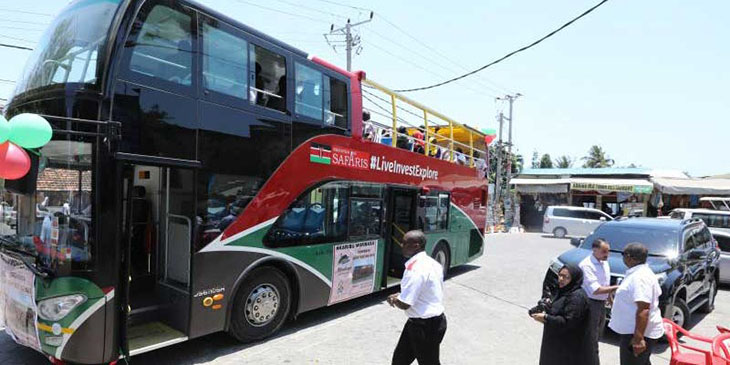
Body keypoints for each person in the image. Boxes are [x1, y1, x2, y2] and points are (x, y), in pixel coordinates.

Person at [387, 230, 447, 365]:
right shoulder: (432, 263)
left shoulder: (415, 269)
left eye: (404, 243)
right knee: (399, 360)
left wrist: (394, 299)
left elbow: (405, 304)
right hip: (419, 323)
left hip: (425, 326)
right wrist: (400, 296)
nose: (401, 245)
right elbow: (424, 290)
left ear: (416, 245)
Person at [608, 243, 664, 365]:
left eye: (623, 254)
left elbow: (644, 309)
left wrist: (638, 339)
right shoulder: (637, 273)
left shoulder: (640, 277)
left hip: (637, 333)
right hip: (632, 331)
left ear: (629, 257)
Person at [531, 264, 590, 365]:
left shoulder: (577, 297)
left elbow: (568, 322)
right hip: (553, 344)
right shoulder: (562, 291)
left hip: (567, 348)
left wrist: (546, 318)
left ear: (574, 278)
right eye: (560, 275)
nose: (561, 279)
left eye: (566, 277)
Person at [579, 238, 619, 365]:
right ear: (594, 250)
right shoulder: (587, 265)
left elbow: (605, 284)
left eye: (608, 251)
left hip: (601, 304)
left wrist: (611, 301)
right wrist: (618, 287)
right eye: (604, 251)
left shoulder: (604, 262)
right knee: (590, 337)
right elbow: (596, 290)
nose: (607, 254)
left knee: (597, 335)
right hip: (590, 303)